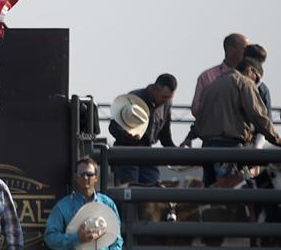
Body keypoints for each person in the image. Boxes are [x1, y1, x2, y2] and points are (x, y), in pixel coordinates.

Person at [193, 58, 281, 186]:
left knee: (211, 196)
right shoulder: (244, 83)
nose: (255, 85)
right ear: (250, 70)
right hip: (229, 148)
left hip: (206, 148)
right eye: (256, 79)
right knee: (236, 193)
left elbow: (199, 116)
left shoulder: (211, 86)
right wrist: (277, 140)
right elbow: (259, 116)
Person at [109, 74, 177, 185]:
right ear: (154, 89)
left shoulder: (166, 105)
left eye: (169, 98)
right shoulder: (134, 98)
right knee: (130, 189)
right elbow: (113, 127)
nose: (166, 101)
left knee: (151, 189)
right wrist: (126, 136)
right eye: (164, 97)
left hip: (146, 152)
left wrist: (176, 151)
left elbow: (165, 136)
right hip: (127, 152)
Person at [191, 33, 248, 118]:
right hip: (212, 130)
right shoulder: (207, 77)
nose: (249, 53)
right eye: (245, 49)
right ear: (231, 50)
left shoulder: (250, 78)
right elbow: (196, 109)